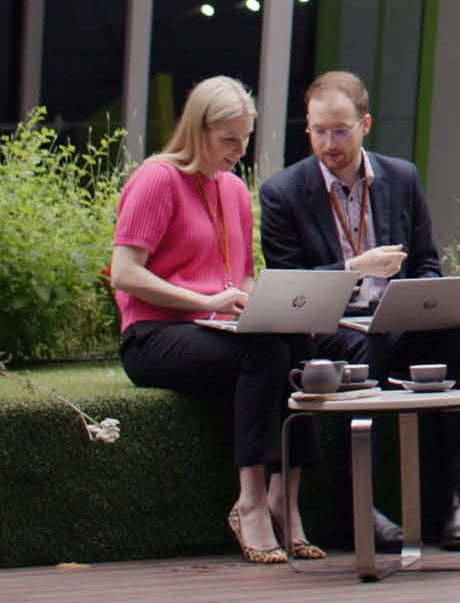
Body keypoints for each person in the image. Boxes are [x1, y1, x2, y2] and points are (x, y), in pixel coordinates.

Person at [258, 70, 460, 552]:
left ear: (365, 124)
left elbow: (425, 263)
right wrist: (355, 268)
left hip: (396, 320)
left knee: (458, 341)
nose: (329, 142)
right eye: (319, 131)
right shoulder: (282, 193)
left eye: (340, 130)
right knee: (366, 346)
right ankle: (357, 504)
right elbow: (289, 290)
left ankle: (456, 499)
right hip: (332, 330)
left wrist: (424, 300)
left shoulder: (400, 177)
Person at [109, 75, 323, 565]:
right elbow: (125, 274)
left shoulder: (231, 188)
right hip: (152, 336)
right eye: (228, 140)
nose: (239, 150)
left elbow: (241, 280)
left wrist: (271, 305)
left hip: (212, 329)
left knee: (300, 349)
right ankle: (248, 502)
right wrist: (204, 297)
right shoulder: (157, 178)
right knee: (264, 352)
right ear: (197, 131)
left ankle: (284, 500)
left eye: (245, 138)